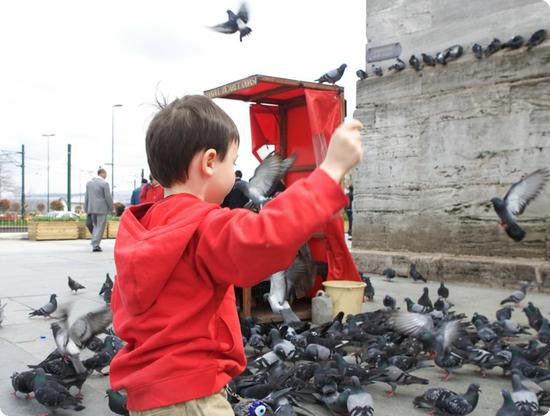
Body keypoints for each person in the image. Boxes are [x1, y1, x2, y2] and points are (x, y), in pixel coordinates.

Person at [110, 95, 362, 415]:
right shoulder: (203, 226)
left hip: (149, 395)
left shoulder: (141, 231)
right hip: (192, 397)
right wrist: (331, 170)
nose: (235, 171)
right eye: (233, 161)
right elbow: (267, 236)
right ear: (210, 162)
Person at [84, 168, 113, 252]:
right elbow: (108, 197)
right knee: (100, 227)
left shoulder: (89, 183)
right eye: (106, 174)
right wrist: (111, 208)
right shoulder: (105, 183)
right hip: (102, 209)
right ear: (102, 173)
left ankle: (94, 241)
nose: (106, 176)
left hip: (92, 208)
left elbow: (87, 197)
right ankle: (95, 244)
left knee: (96, 226)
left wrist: (86, 208)